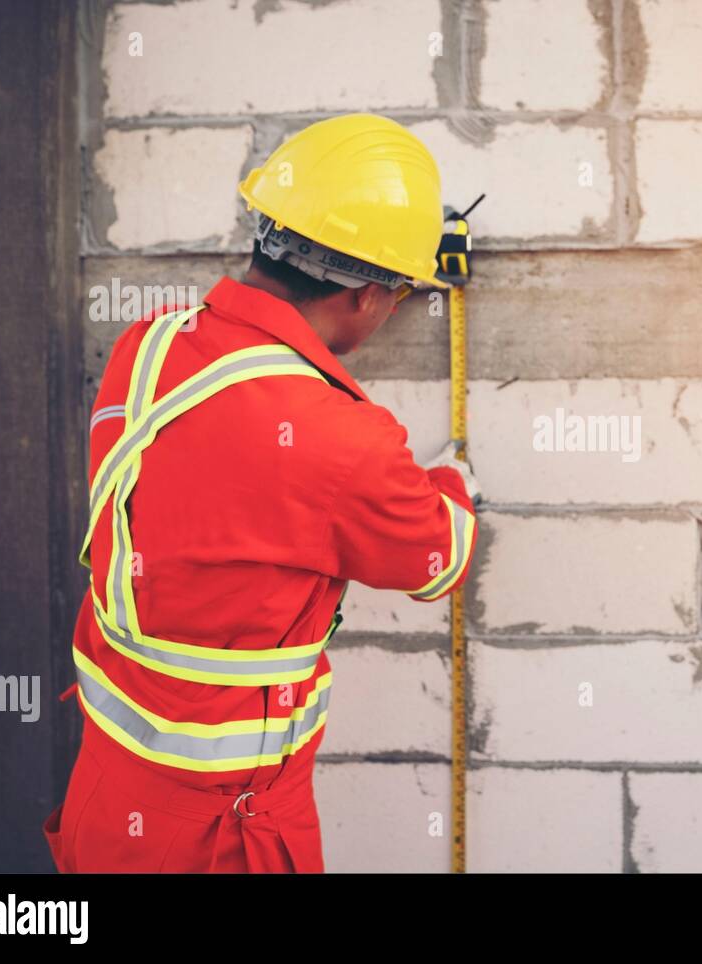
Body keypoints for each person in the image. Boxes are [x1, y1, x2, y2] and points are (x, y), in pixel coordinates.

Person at [43, 114, 478, 873]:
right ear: (370, 297)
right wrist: (453, 481)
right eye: (400, 294)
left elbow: (219, 483)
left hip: (104, 801)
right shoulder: (343, 440)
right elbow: (436, 559)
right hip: (222, 839)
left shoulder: (145, 346)